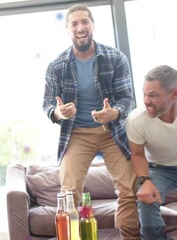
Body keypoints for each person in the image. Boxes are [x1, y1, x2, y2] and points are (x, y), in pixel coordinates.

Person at [42, 4, 139, 239]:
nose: (80, 27)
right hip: (77, 133)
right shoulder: (56, 66)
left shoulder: (115, 58)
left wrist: (114, 113)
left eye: (84, 21)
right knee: (68, 193)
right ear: (68, 30)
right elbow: (47, 105)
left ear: (92, 25)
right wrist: (59, 113)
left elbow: (128, 98)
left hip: (112, 132)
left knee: (128, 189)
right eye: (74, 23)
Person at [126, 65, 177, 240]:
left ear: (174, 94)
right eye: (144, 94)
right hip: (160, 168)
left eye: (153, 95)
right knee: (146, 198)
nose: (146, 101)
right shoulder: (136, 119)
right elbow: (137, 154)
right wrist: (145, 180)